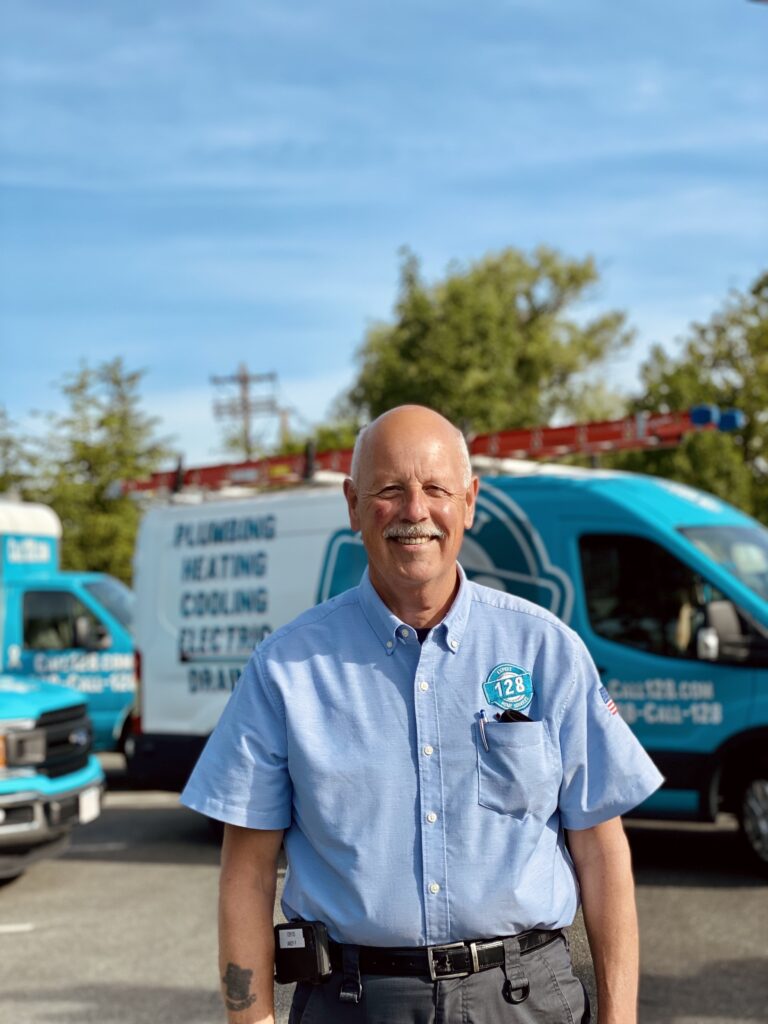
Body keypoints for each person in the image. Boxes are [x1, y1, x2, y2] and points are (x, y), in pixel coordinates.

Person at [181, 405, 663, 1024]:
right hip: (351, 1004)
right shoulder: (285, 670)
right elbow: (245, 874)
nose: (415, 511)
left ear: (469, 501)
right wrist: (249, 1018)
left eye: (436, 489)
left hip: (525, 1002)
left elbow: (601, 852)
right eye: (389, 490)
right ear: (353, 505)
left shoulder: (545, 650)